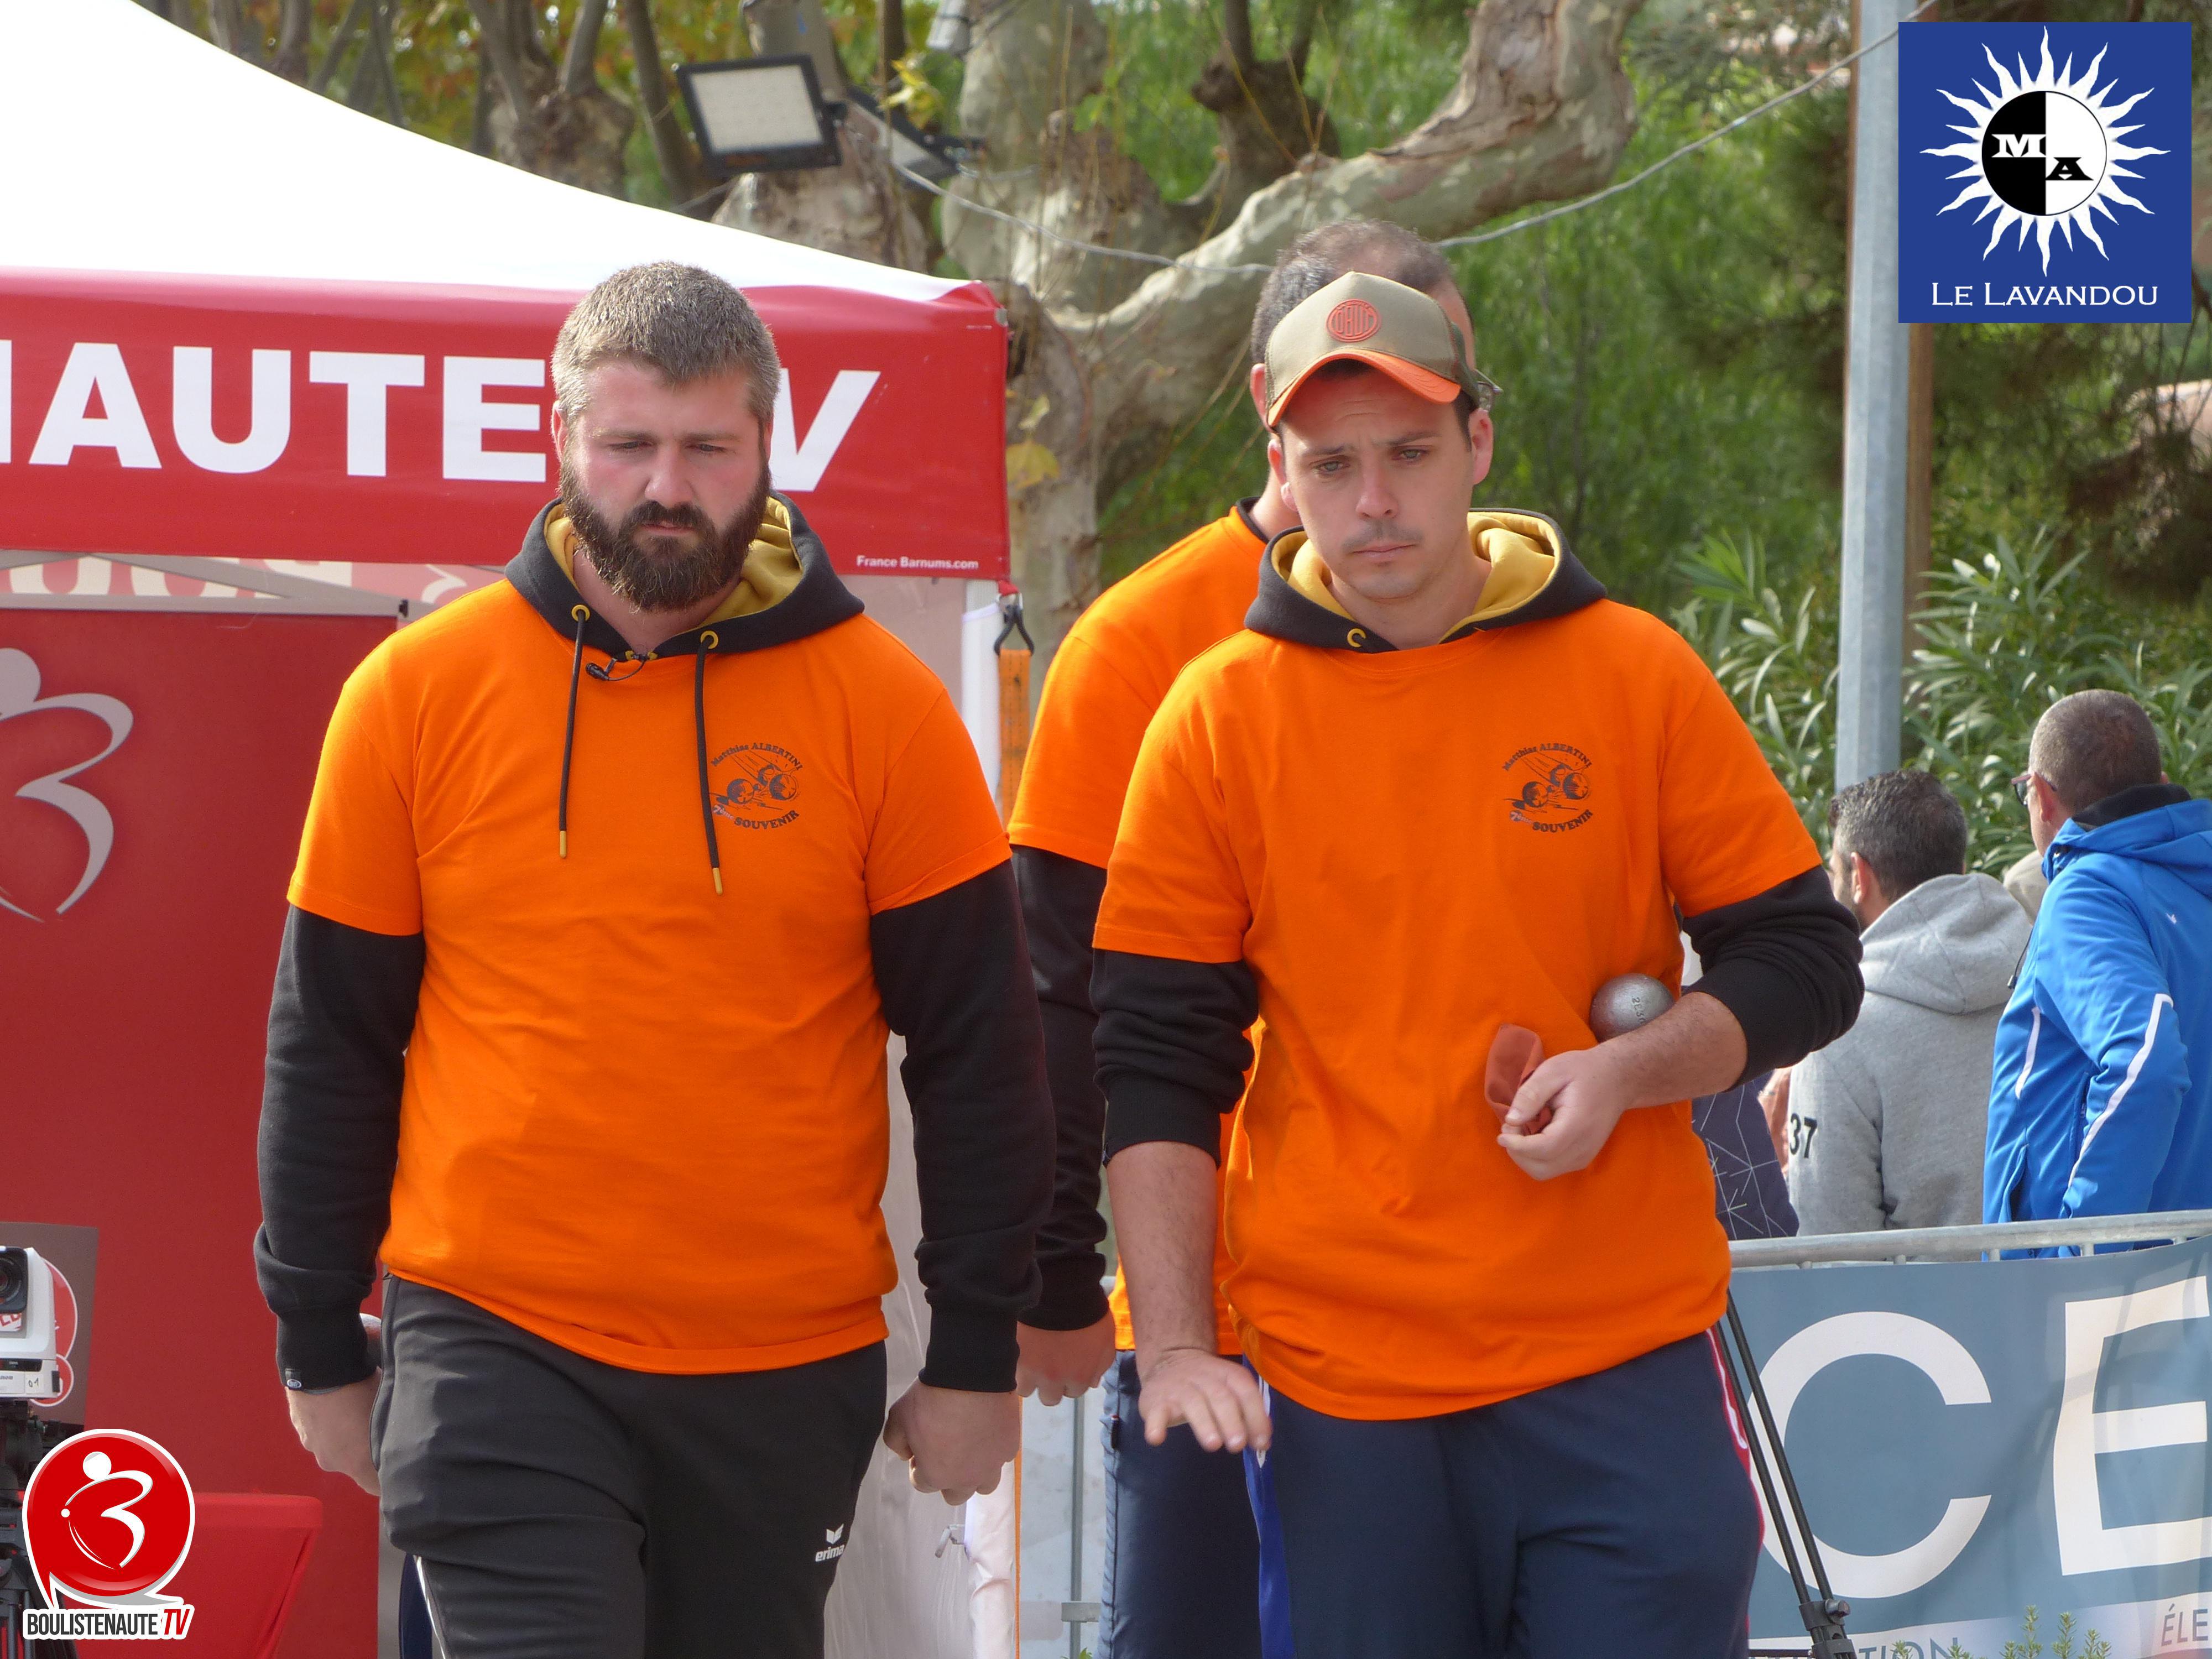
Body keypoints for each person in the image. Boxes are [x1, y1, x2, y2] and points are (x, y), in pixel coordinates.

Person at [255, 262, 1053, 1659]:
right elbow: (331, 1035)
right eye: (628, 445)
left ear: (768, 445)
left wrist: (979, 1344)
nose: (665, 487)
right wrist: (319, 1330)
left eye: (707, 446)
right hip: (494, 1338)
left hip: (782, 1362)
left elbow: (983, 1044)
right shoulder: (415, 694)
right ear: (560, 442)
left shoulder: (886, 709)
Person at [1092, 272, 1863, 1658]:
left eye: (1407, 453)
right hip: (1345, 1387)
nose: (1372, 500)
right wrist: (1174, 1343)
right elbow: (1155, 1053)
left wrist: (1630, 1069)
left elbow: (1805, 956)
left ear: (1479, 447)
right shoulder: (1212, 717)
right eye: (1332, 464)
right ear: (1280, 468)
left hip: (1620, 1356)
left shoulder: (1629, 671)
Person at [1008, 219, 1479, 1659]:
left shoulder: (1502, 622)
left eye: (1443, 386)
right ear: (1282, 419)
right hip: (1218, 1316)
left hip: (1475, 1314)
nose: (1413, 419)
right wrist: (1048, 1277)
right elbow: (1059, 985)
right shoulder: (1141, 646)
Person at [1985, 690, 2212, 1244]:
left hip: (2109, 1301)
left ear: (2040, 795)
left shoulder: (2086, 893)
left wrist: (2088, 1249)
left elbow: (2146, 1063)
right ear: (2160, 780)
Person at [1785, 770, 2031, 1234]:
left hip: (1910, 1304)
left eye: (1832, 871)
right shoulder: (2047, 974)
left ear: (1860, 876)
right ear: (1957, 868)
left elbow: (1829, 1240)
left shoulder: (1840, 1028)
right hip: (2055, 1291)